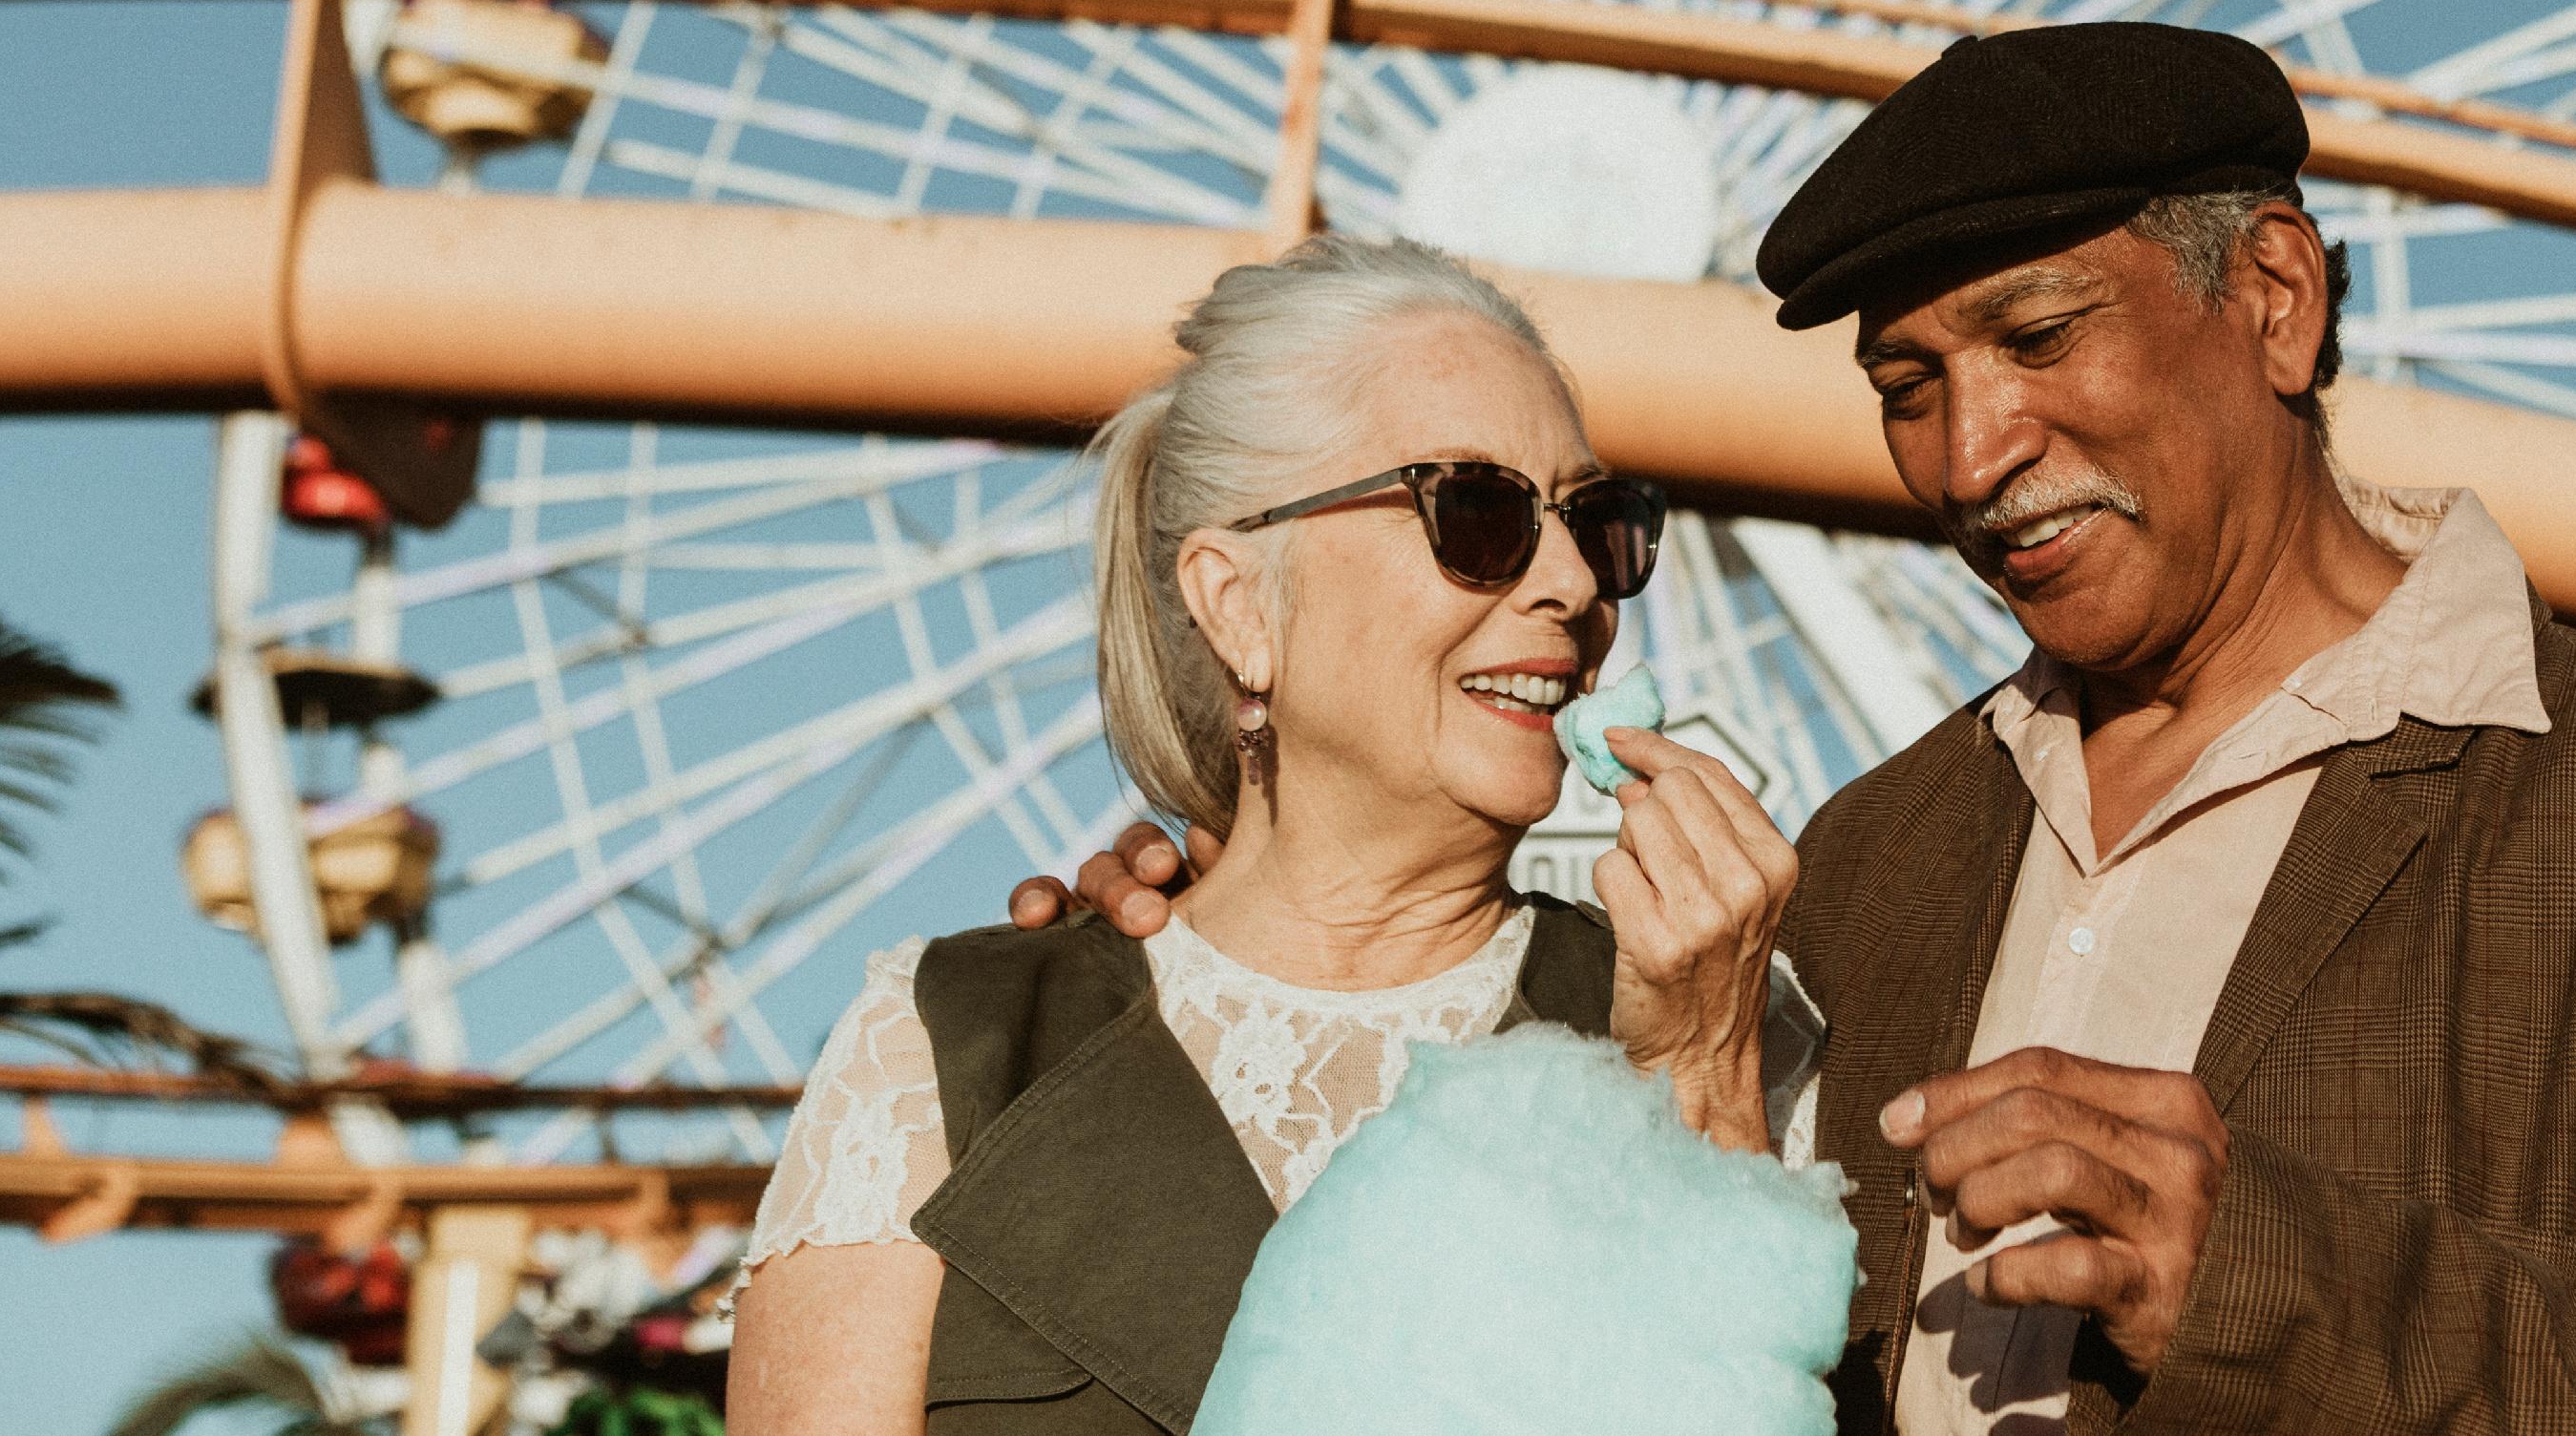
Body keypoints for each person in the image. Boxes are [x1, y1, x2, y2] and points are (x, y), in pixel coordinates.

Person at [1033, 27, 2576, 1436]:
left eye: (2040, 340)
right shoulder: (1872, 867)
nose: (1972, 456)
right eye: (1910, 384)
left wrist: (2269, 1285)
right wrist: (1219, 948)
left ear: (2278, 303)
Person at [728, 236, 1808, 1436]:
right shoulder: (943, 1054)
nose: (1571, 583)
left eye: (1599, 522)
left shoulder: (1740, 1032)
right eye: (1477, 512)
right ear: (1239, 604)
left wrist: (1698, 1091)